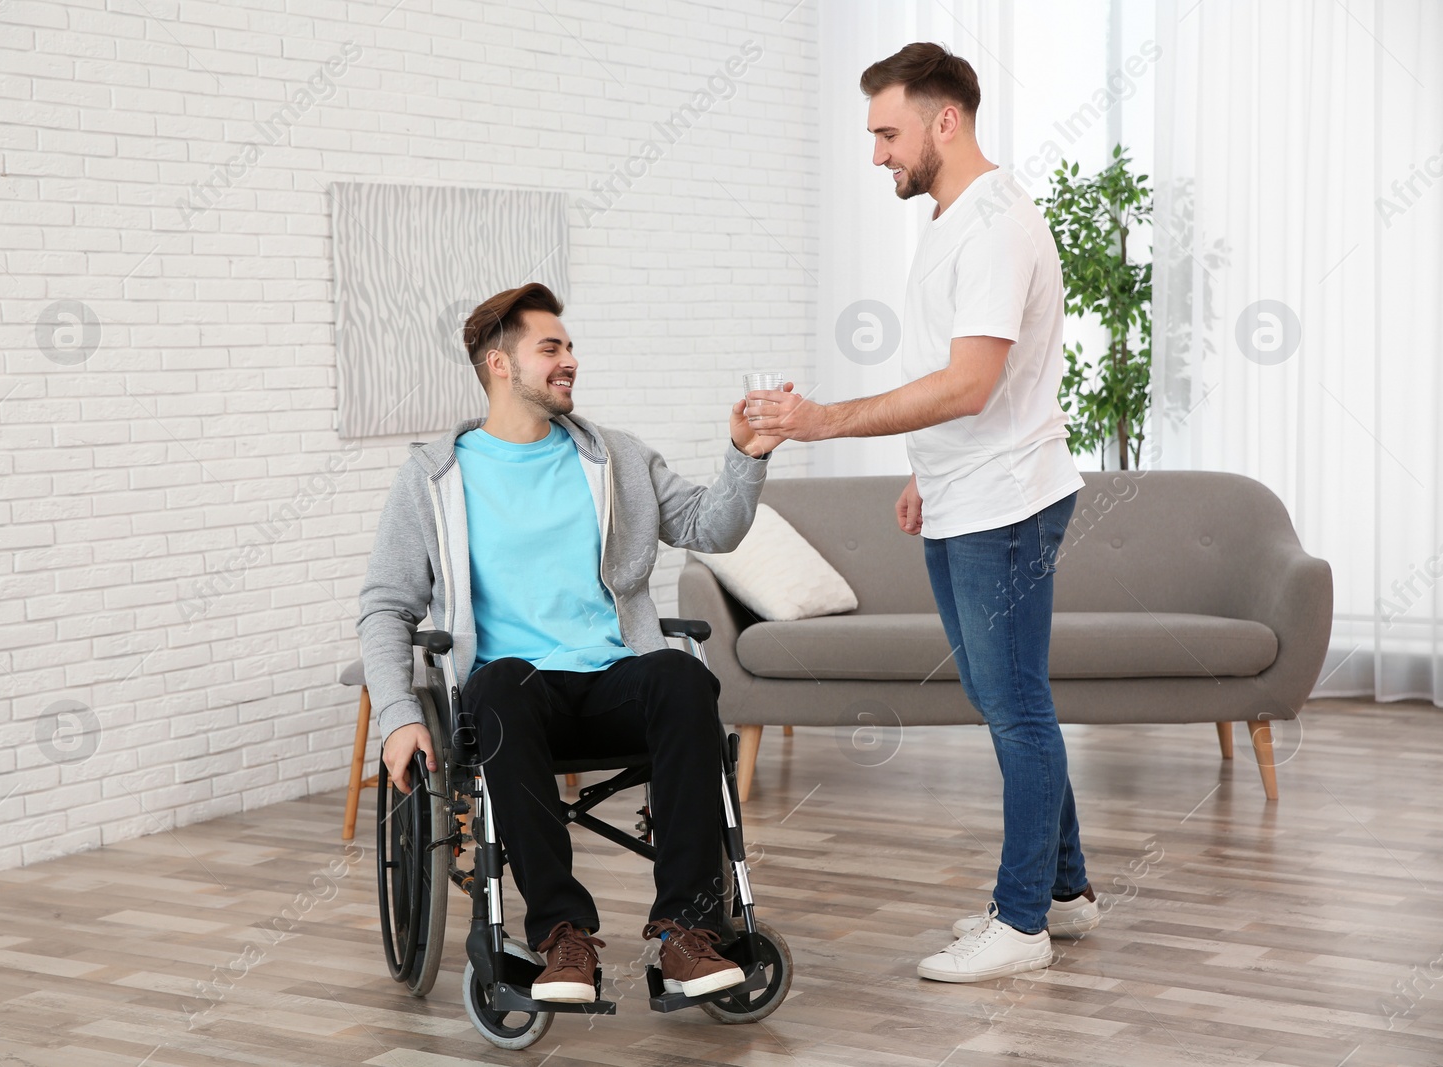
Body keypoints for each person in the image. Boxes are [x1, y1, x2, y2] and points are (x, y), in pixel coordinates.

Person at [747, 43, 1098, 983]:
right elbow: (964, 382)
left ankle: (1020, 922)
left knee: (1016, 707)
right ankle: (1063, 890)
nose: (876, 155)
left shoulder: (994, 225)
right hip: (963, 493)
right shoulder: (949, 219)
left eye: (887, 132)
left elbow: (974, 384)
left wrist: (826, 421)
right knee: (1002, 698)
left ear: (946, 120)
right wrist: (923, 470)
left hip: (1005, 504)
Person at [356, 283, 784, 1003]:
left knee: (681, 677)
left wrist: (745, 454)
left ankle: (686, 929)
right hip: (515, 697)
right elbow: (384, 605)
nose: (570, 361)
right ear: (499, 363)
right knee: (498, 683)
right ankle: (562, 934)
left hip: (615, 678)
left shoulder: (616, 458)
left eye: (570, 346)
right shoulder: (434, 478)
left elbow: (712, 528)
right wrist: (400, 714)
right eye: (550, 348)